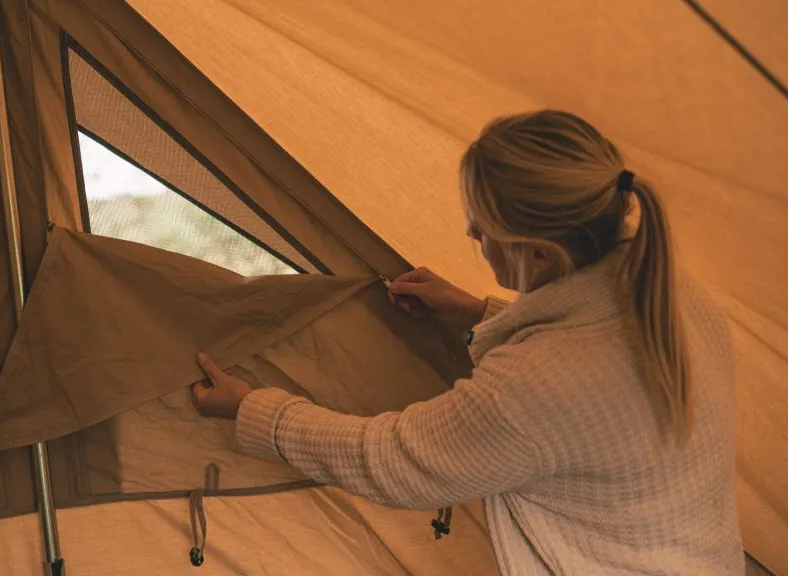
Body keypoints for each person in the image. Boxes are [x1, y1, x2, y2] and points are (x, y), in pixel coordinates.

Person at [190, 110, 743, 575]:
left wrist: (255, 410)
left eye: (480, 230)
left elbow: (394, 460)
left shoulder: (536, 387)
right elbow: (587, 370)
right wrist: (481, 315)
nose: (469, 235)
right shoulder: (669, 289)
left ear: (539, 254)